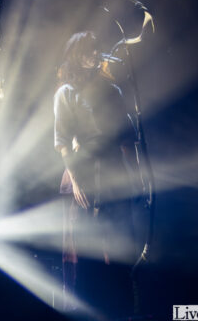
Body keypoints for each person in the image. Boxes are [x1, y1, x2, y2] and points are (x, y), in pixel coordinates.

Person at [53, 31, 138, 313]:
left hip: (113, 174)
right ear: (76, 55)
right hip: (84, 174)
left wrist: (135, 179)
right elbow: (62, 142)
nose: (94, 54)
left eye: (95, 50)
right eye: (87, 50)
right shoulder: (65, 93)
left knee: (119, 251)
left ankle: (120, 310)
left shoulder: (111, 90)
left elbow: (127, 139)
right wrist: (76, 181)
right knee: (86, 253)